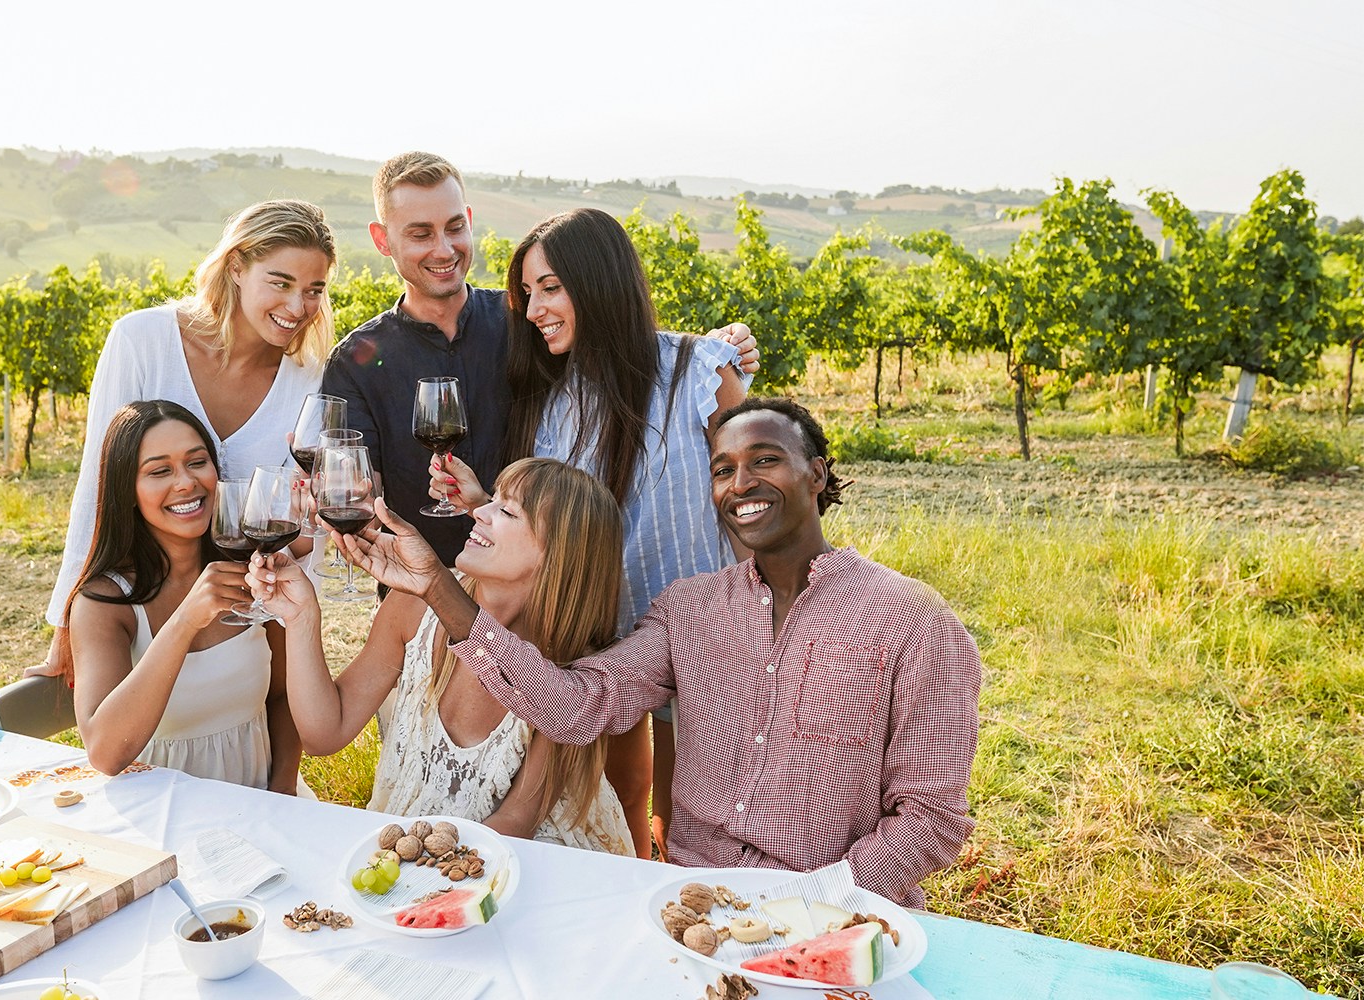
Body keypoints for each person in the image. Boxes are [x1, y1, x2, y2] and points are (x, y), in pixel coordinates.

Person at [341, 398, 982, 907]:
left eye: (765, 460)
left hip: (837, 911)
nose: (741, 482)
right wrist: (436, 585)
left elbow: (932, 817)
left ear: (816, 474)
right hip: (691, 909)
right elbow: (573, 708)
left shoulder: (917, 623)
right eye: (723, 469)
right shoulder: (690, 610)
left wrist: (821, 899)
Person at [431, 207, 750, 860]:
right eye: (527, 292)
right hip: (607, 634)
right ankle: (635, 898)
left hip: (708, 634)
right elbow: (554, 521)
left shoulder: (698, 370)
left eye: (551, 287)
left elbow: (752, 501)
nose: (533, 308)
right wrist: (480, 500)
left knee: (694, 810)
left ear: (599, 281)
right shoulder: (553, 403)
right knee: (622, 793)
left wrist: (772, 608)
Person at [321, 151, 759, 569]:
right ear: (382, 239)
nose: (443, 249)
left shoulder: (523, 326)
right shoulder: (356, 362)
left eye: (455, 227)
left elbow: (620, 353)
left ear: (469, 221)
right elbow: (360, 499)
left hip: (541, 600)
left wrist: (716, 352)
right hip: (423, 592)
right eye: (420, 234)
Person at [247, 458, 634, 853]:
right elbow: (324, 733)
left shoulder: (569, 677)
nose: (477, 511)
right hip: (416, 844)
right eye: (492, 498)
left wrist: (415, 881)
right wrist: (301, 618)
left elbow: (516, 823)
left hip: (525, 855)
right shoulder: (413, 611)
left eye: (506, 510)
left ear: (559, 555)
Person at [33, 199, 335, 681]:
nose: (298, 307)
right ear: (237, 266)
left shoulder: (309, 381)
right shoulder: (142, 341)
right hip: (142, 611)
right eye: (280, 283)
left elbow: (302, 529)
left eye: (314, 289)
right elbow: (97, 484)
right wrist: (67, 621)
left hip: (246, 623)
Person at [68, 400, 309, 795]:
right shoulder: (103, 603)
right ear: (127, 490)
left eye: (197, 462)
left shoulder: (254, 571)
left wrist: (282, 789)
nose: (185, 483)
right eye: (160, 471)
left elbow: (282, 696)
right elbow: (105, 753)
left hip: (264, 804)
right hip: (159, 820)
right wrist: (186, 621)